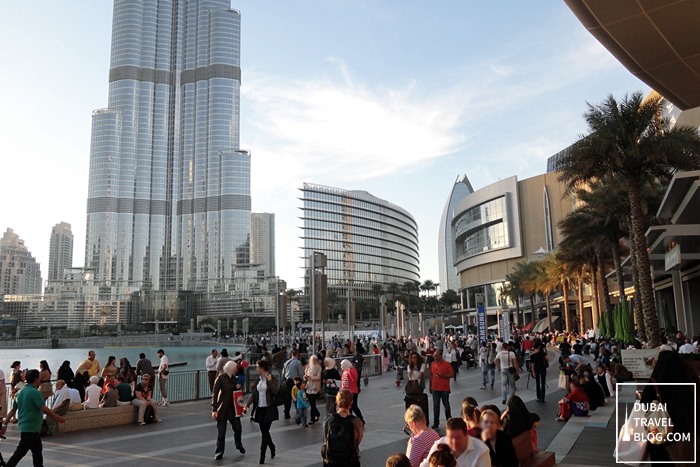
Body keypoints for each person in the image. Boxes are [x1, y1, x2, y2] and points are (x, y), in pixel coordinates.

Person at [640, 350, 700, 463]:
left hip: (661, 434)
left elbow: (644, 404)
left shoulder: (654, 384)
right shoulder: (688, 382)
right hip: (686, 435)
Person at [1, 369, 65, 467]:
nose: (40, 380)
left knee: (37, 450)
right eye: (39, 378)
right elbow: (43, 408)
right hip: (30, 428)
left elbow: (13, 410)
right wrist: (58, 417)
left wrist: (5, 424)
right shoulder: (35, 392)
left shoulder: (19, 393)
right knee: (20, 452)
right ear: (36, 379)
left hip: (27, 427)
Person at [243, 359, 280, 464]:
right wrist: (247, 405)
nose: (256, 368)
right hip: (260, 408)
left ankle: (262, 455)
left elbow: (276, 391)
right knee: (264, 432)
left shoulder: (271, 378)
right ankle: (272, 447)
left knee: (264, 433)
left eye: (257, 367)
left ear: (262, 368)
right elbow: (255, 394)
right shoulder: (258, 379)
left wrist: (270, 380)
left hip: (269, 408)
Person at [420, 418, 490, 467]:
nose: (453, 442)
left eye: (458, 438)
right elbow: (426, 464)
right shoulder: (440, 443)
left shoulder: (481, 451)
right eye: (450, 438)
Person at [212, 360, 245, 460]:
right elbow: (214, 394)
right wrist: (214, 409)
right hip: (222, 408)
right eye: (235, 368)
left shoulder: (235, 379)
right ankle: (219, 452)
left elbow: (238, 395)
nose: (236, 370)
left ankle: (238, 444)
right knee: (221, 432)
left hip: (233, 408)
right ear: (231, 369)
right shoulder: (221, 378)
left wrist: (238, 388)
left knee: (238, 428)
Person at [321, 390, 364, 467]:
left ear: (336, 402)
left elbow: (325, 438)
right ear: (351, 402)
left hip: (331, 461)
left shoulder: (328, 419)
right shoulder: (356, 421)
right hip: (350, 460)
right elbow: (357, 441)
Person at [429, 351, 454, 429]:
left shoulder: (447, 364)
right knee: (436, 406)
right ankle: (436, 423)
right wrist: (430, 386)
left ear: (440, 355)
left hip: (444, 388)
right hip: (435, 388)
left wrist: (443, 376)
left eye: (436, 356)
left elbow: (452, 374)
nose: (435, 357)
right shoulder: (432, 364)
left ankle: (449, 420)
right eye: (434, 356)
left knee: (446, 404)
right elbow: (431, 375)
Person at [282, 350, 304, 419]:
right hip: (296, 381)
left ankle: (286, 413)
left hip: (288, 381)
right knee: (297, 396)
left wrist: (283, 380)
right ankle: (299, 412)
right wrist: (302, 381)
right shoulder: (298, 362)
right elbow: (300, 373)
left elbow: (283, 373)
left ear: (291, 354)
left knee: (288, 398)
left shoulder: (286, 362)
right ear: (297, 355)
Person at [304, 354, 322, 424]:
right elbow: (305, 375)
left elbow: (319, 377)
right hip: (308, 386)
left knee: (312, 402)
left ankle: (312, 419)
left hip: (315, 387)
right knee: (312, 403)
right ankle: (317, 413)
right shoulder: (308, 367)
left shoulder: (318, 367)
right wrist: (305, 377)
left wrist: (311, 378)